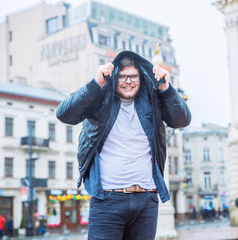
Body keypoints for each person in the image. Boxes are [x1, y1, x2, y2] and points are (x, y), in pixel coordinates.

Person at [56, 50, 191, 240]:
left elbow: (182, 120)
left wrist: (166, 88)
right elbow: (64, 114)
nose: (128, 81)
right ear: (113, 78)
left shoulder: (153, 100)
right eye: (122, 76)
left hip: (146, 199)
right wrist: (96, 84)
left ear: (141, 78)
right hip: (107, 200)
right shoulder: (99, 99)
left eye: (133, 76)